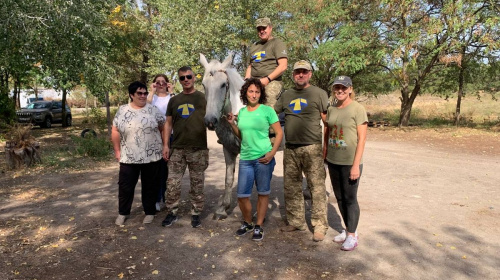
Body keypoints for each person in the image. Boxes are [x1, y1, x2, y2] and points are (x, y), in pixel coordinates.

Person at [274, 60, 329, 242]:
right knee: (291, 187)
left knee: (317, 187)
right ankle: (296, 221)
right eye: (297, 72)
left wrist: (326, 146)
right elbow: (272, 113)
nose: (301, 75)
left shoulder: (319, 94)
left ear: (310, 74)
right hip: (290, 148)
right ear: (293, 74)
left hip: (312, 147)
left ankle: (319, 225)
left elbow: (327, 120)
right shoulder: (287, 95)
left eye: (304, 72)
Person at [226, 78, 283, 241]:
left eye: (257, 92)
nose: (254, 94)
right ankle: (247, 222)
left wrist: (272, 153)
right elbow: (242, 136)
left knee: (263, 193)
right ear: (245, 93)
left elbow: (279, 133)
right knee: (242, 195)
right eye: (251, 91)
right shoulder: (242, 112)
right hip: (245, 158)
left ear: (261, 94)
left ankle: (258, 226)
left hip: (263, 158)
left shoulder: (267, 111)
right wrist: (232, 124)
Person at [112, 81, 165, 225]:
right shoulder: (122, 110)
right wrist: (117, 150)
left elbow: (163, 127)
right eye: (139, 93)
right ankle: (123, 213)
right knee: (125, 186)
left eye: (145, 93)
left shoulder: (153, 110)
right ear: (131, 95)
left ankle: (149, 212)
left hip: (151, 156)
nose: (143, 96)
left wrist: (164, 145)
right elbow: (115, 130)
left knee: (150, 186)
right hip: (128, 157)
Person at [161, 66, 208, 228]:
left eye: (189, 76)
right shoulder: (174, 100)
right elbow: (168, 123)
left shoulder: (203, 98)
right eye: (182, 78)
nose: (186, 80)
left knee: (197, 183)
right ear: (179, 81)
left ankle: (196, 212)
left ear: (194, 78)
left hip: (198, 148)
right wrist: (166, 145)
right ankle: (172, 211)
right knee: (172, 182)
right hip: (177, 148)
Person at [324, 76, 367, 251]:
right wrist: (324, 155)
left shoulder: (358, 109)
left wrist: (356, 165)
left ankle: (352, 235)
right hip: (334, 160)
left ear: (350, 89)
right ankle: (347, 229)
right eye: (337, 88)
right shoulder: (332, 109)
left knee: (350, 199)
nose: (340, 91)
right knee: (340, 198)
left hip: (350, 162)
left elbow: (362, 139)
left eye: (343, 87)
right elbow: (327, 133)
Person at [245, 17, 288, 141]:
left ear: (270, 28)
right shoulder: (254, 46)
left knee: (268, 98)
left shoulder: (277, 43)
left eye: (264, 28)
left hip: (272, 81)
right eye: (259, 29)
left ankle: (271, 136)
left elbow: (283, 66)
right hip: (254, 81)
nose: (261, 31)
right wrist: (246, 80)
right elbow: (250, 66)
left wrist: (267, 79)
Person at [147, 74, 174, 211]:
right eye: (158, 82)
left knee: (169, 170)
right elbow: (145, 108)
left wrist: (172, 92)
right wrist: (151, 91)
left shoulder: (172, 98)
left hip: (171, 136)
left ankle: (167, 198)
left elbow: (178, 110)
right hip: (156, 137)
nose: (161, 84)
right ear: (154, 84)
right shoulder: (152, 98)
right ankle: (157, 198)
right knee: (158, 169)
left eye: (164, 82)